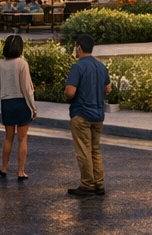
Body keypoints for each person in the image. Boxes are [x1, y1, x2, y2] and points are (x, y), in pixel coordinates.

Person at [64, 34, 110, 197]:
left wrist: (66, 94)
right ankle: (99, 183)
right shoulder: (101, 66)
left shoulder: (78, 67)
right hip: (98, 114)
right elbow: (107, 89)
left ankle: (87, 184)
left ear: (79, 48)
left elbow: (70, 92)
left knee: (84, 151)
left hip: (82, 113)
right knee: (95, 150)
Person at [0, 34, 36, 180]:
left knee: (8, 138)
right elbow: (27, 88)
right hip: (21, 102)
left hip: (6, 102)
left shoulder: (2, 64)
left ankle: (4, 168)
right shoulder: (22, 63)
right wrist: (33, 107)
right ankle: (20, 171)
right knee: (22, 138)